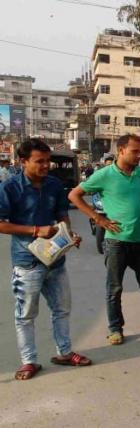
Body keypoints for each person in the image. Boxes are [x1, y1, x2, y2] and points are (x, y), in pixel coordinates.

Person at [0, 139, 91, 381]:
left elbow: (62, 215)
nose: (46, 166)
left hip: (55, 260)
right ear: (23, 162)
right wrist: (34, 231)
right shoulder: (10, 187)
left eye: (47, 161)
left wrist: (68, 235)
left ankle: (64, 352)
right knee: (26, 315)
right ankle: (28, 361)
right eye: (39, 161)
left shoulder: (54, 185)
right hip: (27, 263)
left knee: (62, 309)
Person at [69, 134, 140, 345]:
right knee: (115, 288)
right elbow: (74, 195)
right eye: (135, 151)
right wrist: (98, 219)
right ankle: (115, 329)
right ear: (121, 150)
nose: (139, 156)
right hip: (116, 241)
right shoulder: (103, 175)